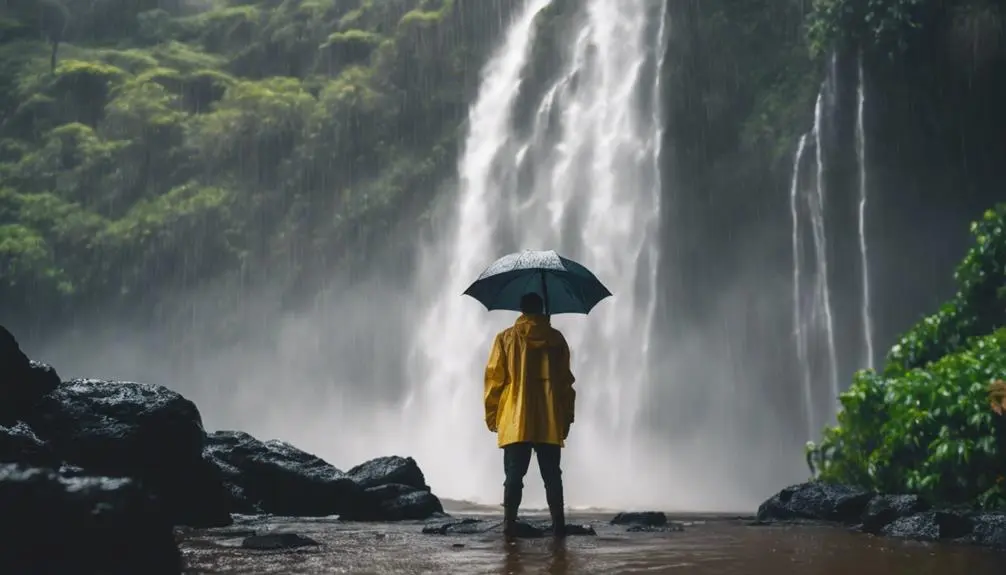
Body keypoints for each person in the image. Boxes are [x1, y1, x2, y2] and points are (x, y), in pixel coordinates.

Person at [483, 292, 576, 538]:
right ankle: (558, 526)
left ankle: (509, 524)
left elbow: (495, 379)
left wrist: (492, 415)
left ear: (521, 310)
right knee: (552, 475)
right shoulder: (556, 339)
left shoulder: (506, 338)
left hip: (516, 417)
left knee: (513, 475)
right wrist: (566, 417)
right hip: (549, 415)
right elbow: (566, 383)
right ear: (543, 308)